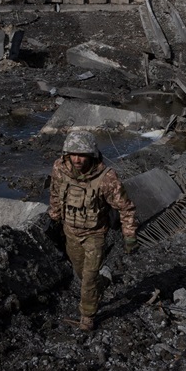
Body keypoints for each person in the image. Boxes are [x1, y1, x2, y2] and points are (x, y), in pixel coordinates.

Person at [48, 130, 138, 331]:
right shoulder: (59, 169)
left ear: (91, 155)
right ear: (67, 154)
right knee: (81, 273)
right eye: (73, 154)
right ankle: (103, 281)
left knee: (88, 279)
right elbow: (55, 191)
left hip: (94, 235)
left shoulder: (106, 178)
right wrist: (54, 215)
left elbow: (126, 207)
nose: (77, 159)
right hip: (70, 231)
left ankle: (87, 317)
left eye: (82, 155)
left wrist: (129, 235)